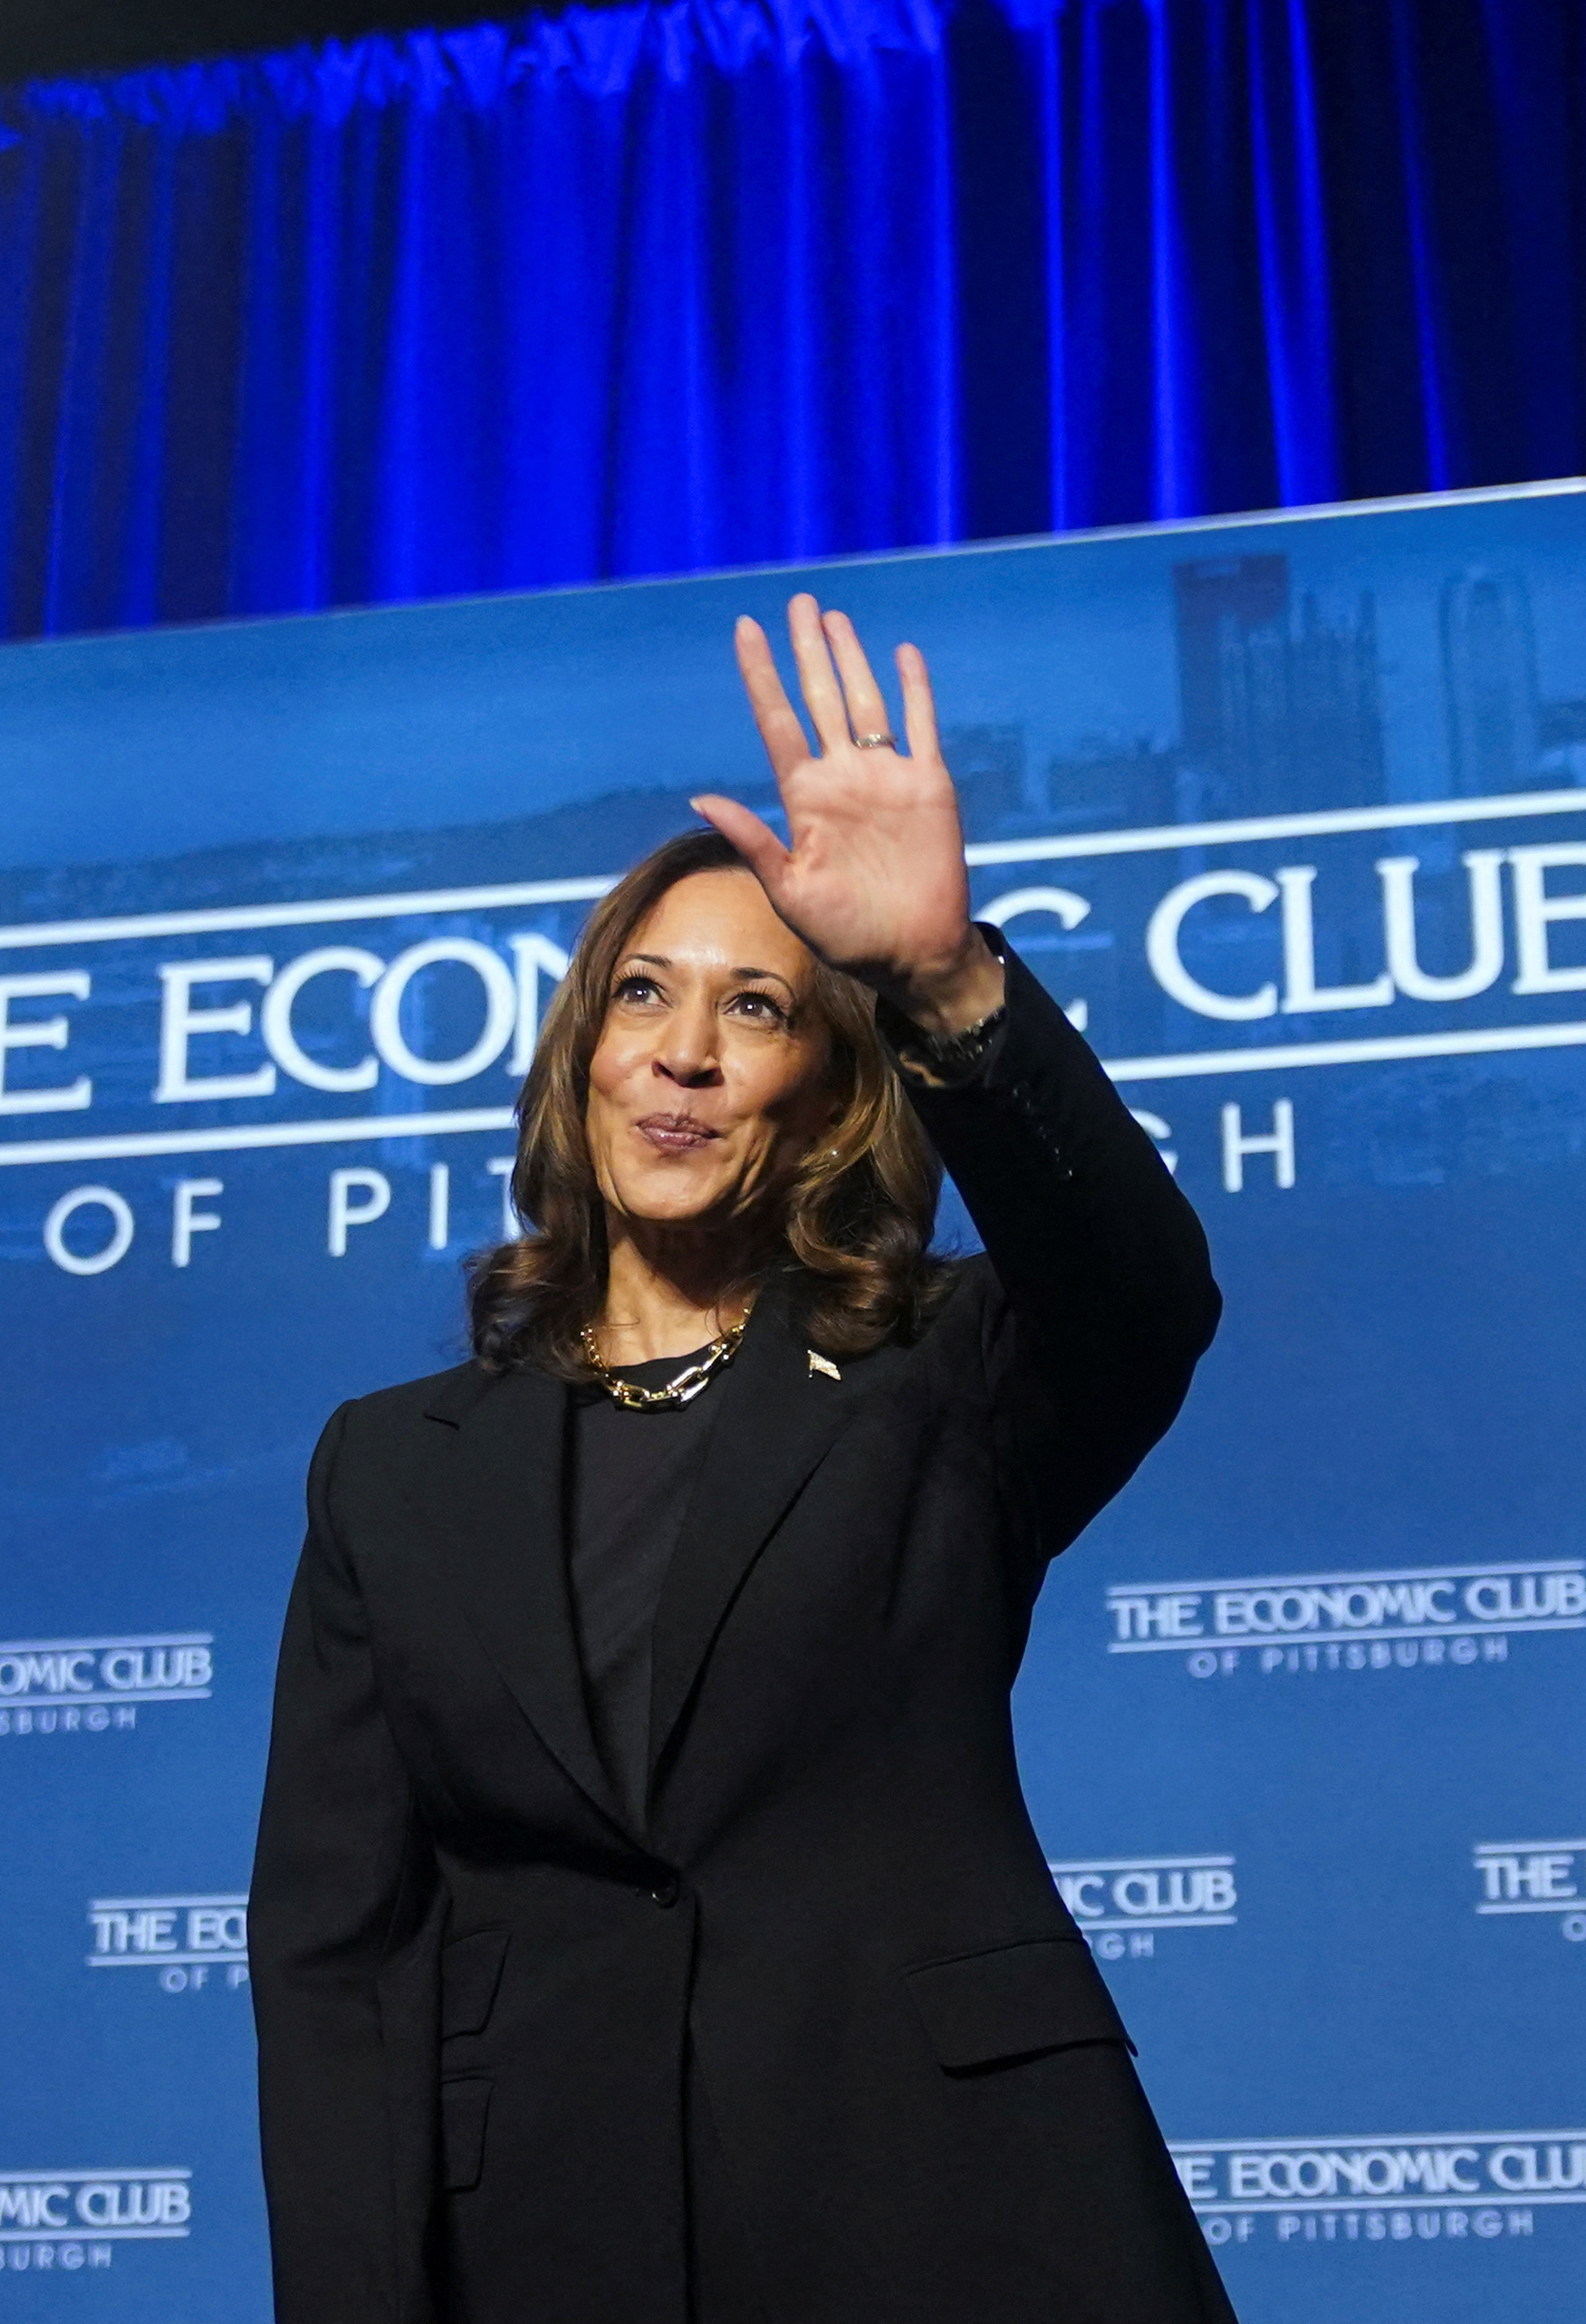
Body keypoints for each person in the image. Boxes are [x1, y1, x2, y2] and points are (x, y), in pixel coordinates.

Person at [250, 594, 1240, 2324]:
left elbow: (1145, 1292)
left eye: (756, 1007)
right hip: (551, 2242)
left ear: (823, 1085)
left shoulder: (942, 1370)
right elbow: (339, 1958)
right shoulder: (389, 1470)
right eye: (645, 994)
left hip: (959, 2210)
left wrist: (941, 976)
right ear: (584, 1055)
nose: (685, 1053)